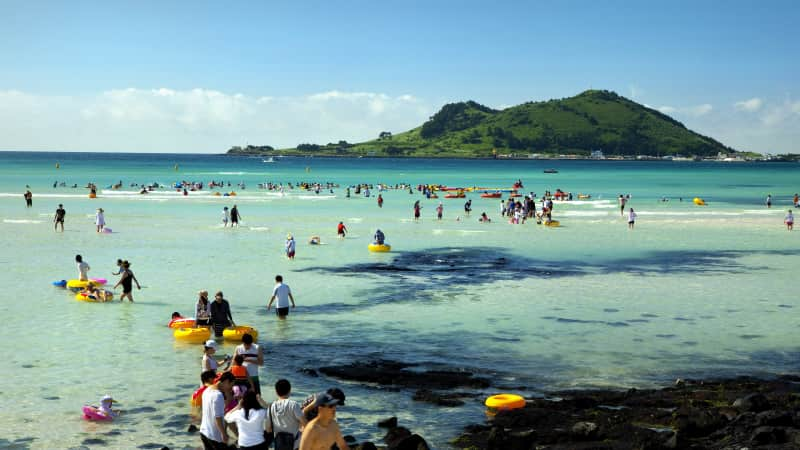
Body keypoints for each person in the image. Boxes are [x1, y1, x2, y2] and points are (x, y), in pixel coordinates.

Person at [267, 379, 306, 450]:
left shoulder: (271, 406)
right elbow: (305, 424)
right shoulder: (294, 405)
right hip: (294, 445)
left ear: (276, 392)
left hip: (279, 444)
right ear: (289, 391)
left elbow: (268, 429)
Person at [200, 371, 235, 449]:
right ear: (226, 381)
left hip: (204, 432)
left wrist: (228, 399)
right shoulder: (218, 395)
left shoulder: (207, 390)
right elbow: (218, 418)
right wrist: (223, 434)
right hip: (214, 436)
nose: (231, 388)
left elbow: (214, 410)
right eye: (231, 385)